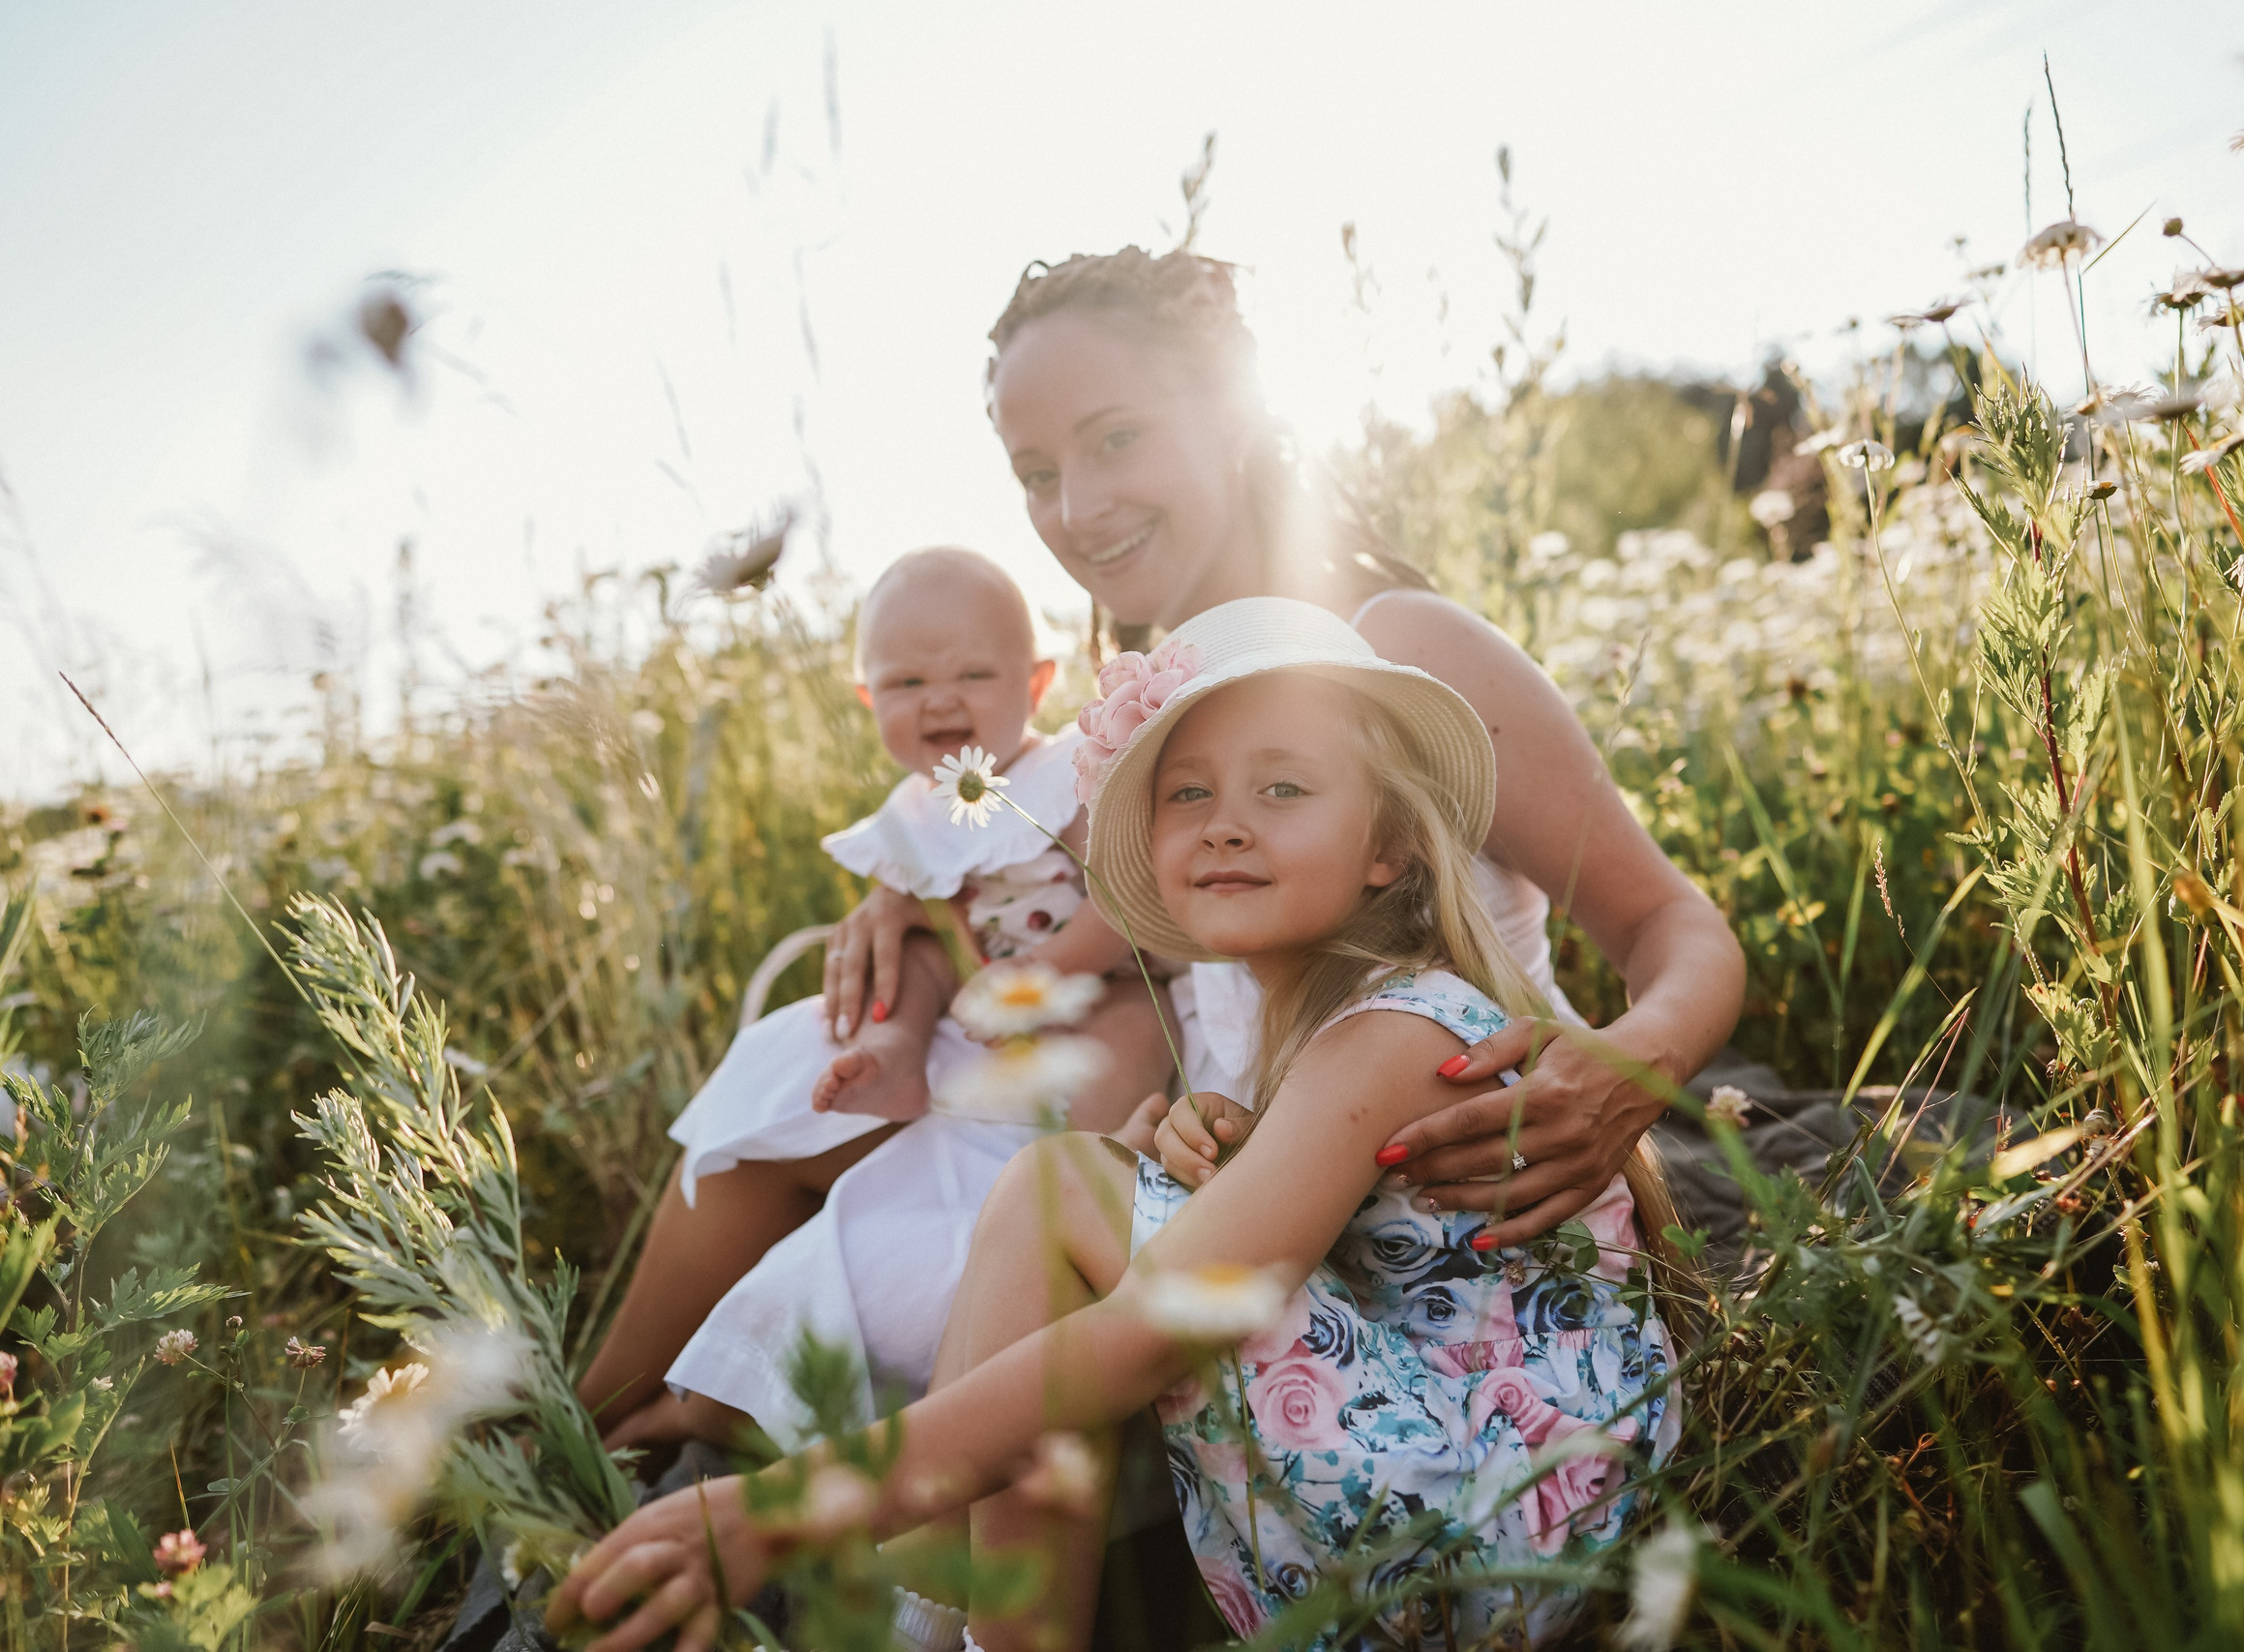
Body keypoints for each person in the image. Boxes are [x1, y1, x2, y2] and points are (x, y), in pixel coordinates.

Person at [550, 598, 1693, 1652]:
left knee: (1059, 1191)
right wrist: (1198, 1159)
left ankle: (944, 1604)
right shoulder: (1344, 1032)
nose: (1225, 826)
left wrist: (784, 1507)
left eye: (1282, 789)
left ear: (1387, 843)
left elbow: (1163, 1321)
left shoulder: (1389, 1033)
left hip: (1485, 1527)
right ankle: (947, 1602)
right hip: (1464, 1485)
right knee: (1077, 1188)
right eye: (1187, 795)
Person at [823, 246, 1746, 1247]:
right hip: (1271, 1223)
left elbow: (1667, 921)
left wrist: (1629, 1067)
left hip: (1490, 1238)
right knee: (812, 1143)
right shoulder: (1149, 711)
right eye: (1037, 475)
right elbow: (1095, 932)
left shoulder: (1397, 649)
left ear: (1231, 419)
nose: (1077, 510)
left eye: (1118, 438)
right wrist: (910, 897)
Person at [578, 547, 1175, 1450]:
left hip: (1103, 991)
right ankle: (895, 1059)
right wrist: (914, 993)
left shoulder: (1064, 781)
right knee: (916, 955)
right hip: (981, 1019)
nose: (940, 701)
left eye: (974, 674)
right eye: (907, 681)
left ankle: (1085, 1158)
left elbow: (1131, 897)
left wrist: (1053, 966)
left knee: (1115, 1042)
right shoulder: (911, 821)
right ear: (866, 699)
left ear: (1037, 683)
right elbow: (926, 941)